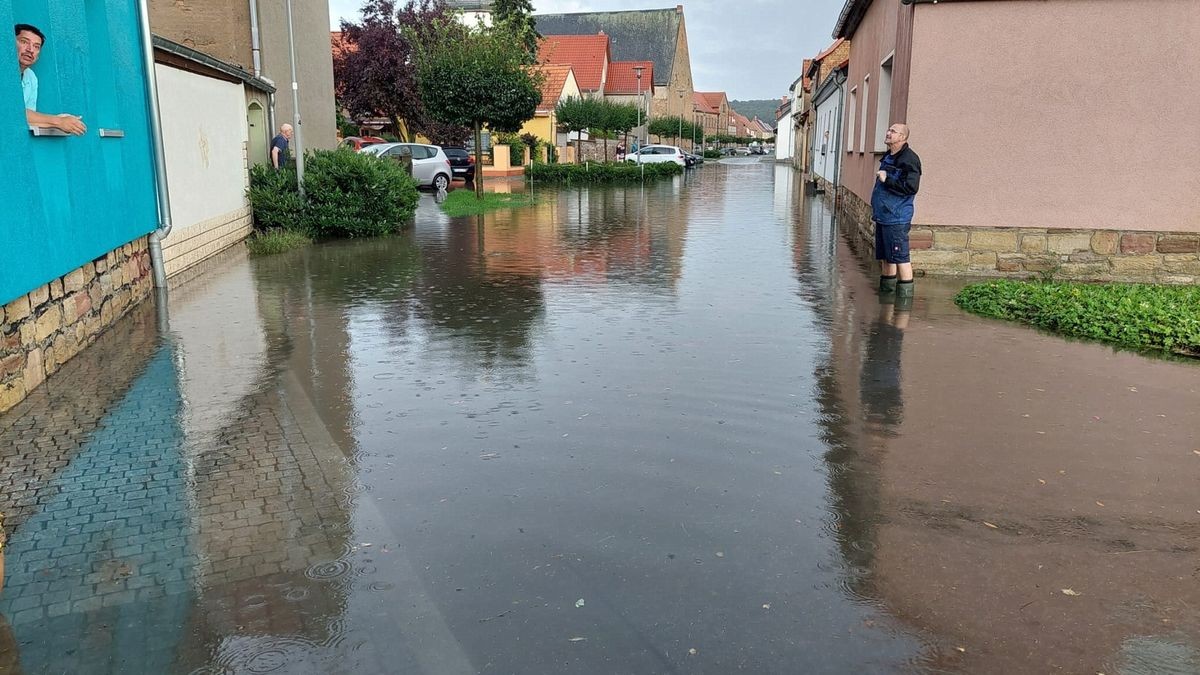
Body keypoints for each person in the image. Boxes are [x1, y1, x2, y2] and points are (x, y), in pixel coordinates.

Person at [871, 122, 922, 300]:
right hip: (883, 216)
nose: (888, 133)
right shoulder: (888, 156)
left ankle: (903, 307)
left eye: (893, 131)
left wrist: (887, 180)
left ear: (902, 137)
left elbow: (911, 187)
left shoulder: (909, 159)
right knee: (886, 257)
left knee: (901, 258)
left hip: (897, 217)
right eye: (889, 130)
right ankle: (885, 303)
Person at [15, 23, 86, 135]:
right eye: (24, 42)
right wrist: (58, 121)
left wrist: (59, 120)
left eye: (36, 46)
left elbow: (26, 117)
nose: (30, 50)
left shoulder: (31, 77)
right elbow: (11, 111)